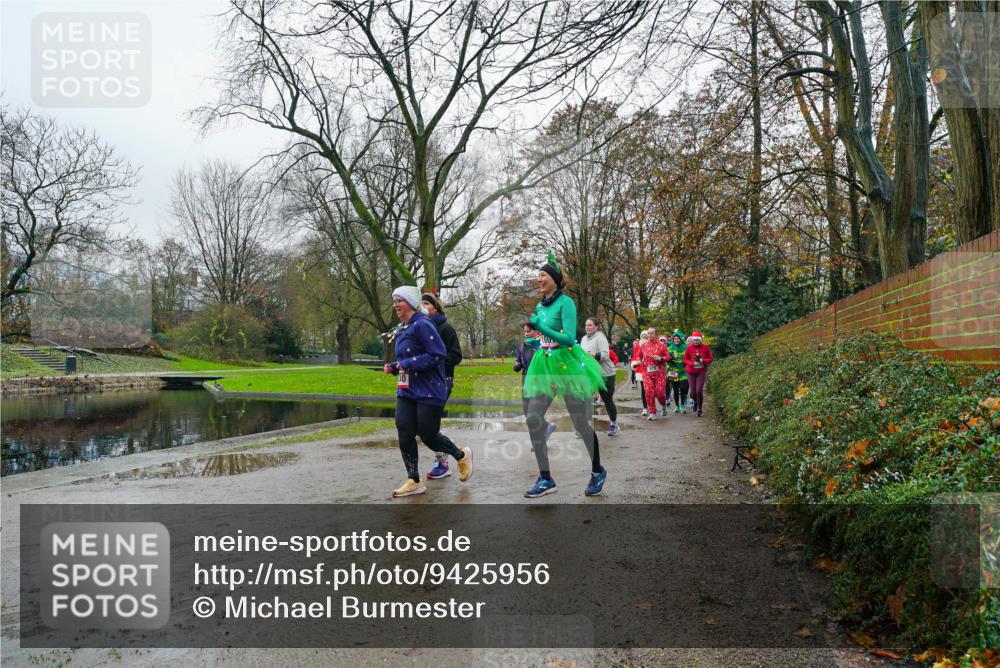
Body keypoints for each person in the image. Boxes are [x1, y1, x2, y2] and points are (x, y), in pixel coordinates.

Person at [522, 252, 608, 498]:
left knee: (580, 423)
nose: (539, 279)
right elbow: (548, 337)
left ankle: (597, 471)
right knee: (533, 417)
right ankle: (546, 478)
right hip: (546, 363)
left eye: (543, 275)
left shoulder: (566, 303)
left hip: (568, 366)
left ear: (555, 279)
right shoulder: (540, 304)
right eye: (538, 275)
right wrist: (536, 342)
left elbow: (569, 337)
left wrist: (540, 327)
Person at [383, 286, 472, 497]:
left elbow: (438, 355)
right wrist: (396, 366)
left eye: (399, 301)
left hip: (429, 389)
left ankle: (461, 456)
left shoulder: (423, 324)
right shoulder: (403, 327)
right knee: (404, 429)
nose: (395, 305)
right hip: (407, 389)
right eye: (394, 301)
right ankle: (413, 480)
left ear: (411, 303)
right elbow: (408, 356)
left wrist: (406, 363)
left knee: (428, 435)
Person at [421, 292, 463, 480]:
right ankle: (445, 451)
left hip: (443, 380)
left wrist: (436, 360)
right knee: (426, 424)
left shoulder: (445, 328)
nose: (422, 307)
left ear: (434, 307)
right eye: (420, 304)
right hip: (425, 382)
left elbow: (456, 356)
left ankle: (443, 460)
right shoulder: (420, 328)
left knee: (431, 423)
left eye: (425, 304)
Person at [513, 322, 555, 442]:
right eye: (525, 332)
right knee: (527, 414)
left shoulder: (542, 345)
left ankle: (540, 441)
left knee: (534, 414)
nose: (526, 334)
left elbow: (549, 362)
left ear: (537, 331)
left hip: (540, 383)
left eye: (529, 331)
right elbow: (519, 359)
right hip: (526, 381)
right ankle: (546, 427)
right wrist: (517, 364)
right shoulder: (523, 345)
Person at [581, 317, 620, 436]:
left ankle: (614, 424)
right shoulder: (583, 339)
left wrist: (592, 354)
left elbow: (604, 355)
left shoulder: (600, 338)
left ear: (596, 327)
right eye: (586, 325)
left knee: (607, 400)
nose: (587, 327)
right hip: (590, 374)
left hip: (605, 374)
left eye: (590, 325)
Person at [639, 329, 669, 420]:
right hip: (647, 372)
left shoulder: (661, 345)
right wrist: (638, 361)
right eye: (648, 333)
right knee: (648, 392)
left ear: (656, 334)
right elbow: (638, 356)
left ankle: (663, 405)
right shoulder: (643, 346)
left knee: (660, 392)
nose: (650, 335)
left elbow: (667, 357)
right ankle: (652, 412)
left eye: (652, 333)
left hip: (660, 372)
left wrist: (660, 358)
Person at [683, 330, 714, 417]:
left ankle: (699, 409)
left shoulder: (705, 348)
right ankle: (695, 402)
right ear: (692, 340)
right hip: (691, 372)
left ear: (700, 340)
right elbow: (685, 359)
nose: (696, 341)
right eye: (694, 340)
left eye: (697, 340)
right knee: (693, 392)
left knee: (699, 390)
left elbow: (710, 359)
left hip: (701, 372)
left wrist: (703, 360)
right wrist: (692, 363)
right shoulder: (689, 348)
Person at [667, 330, 689, 414]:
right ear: (673, 339)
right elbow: (666, 359)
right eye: (675, 338)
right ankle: (676, 406)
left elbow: (689, 357)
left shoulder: (685, 347)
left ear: (680, 339)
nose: (676, 340)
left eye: (678, 338)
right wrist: (672, 357)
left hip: (683, 371)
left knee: (683, 388)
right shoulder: (669, 348)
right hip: (673, 371)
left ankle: (682, 405)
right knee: (675, 390)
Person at [632, 332, 649, 414]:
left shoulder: (651, 346)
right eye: (643, 337)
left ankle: (651, 405)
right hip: (641, 371)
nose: (645, 339)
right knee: (644, 389)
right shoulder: (637, 347)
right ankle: (645, 408)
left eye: (646, 337)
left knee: (650, 390)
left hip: (650, 370)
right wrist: (635, 363)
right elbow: (634, 358)